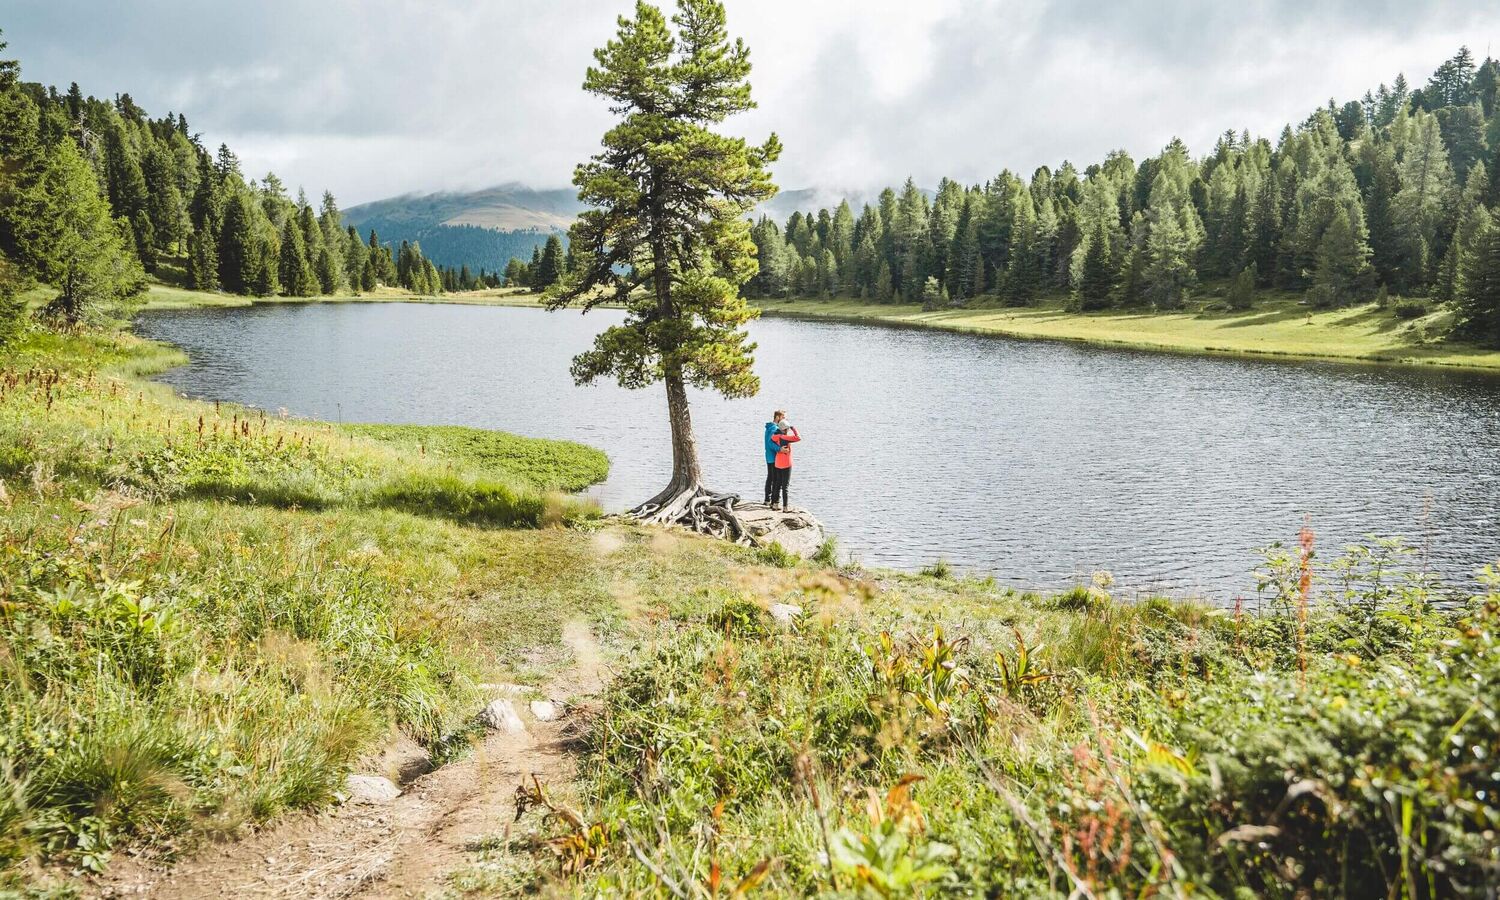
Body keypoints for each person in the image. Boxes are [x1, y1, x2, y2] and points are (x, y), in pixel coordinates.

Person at [769, 415, 800, 511]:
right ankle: (785, 507)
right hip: (787, 464)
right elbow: (798, 438)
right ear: (785, 429)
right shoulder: (786, 437)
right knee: (785, 486)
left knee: (777, 484)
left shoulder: (775, 437)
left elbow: (772, 438)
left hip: (778, 463)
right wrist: (793, 428)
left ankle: (775, 504)